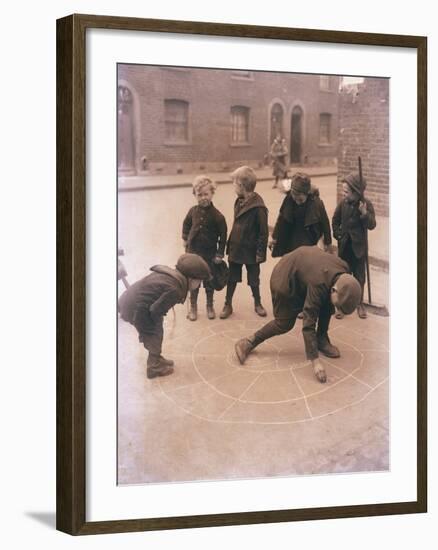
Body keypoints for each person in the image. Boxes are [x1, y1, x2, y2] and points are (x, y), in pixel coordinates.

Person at [234, 246, 362, 383]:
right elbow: (308, 322)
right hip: (284, 277)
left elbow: (329, 297)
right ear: (335, 289)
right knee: (284, 323)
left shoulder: (344, 270)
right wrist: (315, 362)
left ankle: (321, 339)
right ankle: (248, 342)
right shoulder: (318, 283)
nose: (337, 311)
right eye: (339, 306)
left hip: (304, 268)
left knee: (327, 304)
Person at [118, 253, 211, 379]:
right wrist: (152, 327)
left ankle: (156, 357)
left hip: (130, 299)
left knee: (156, 329)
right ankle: (153, 366)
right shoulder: (175, 290)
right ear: (190, 279)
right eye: (199, 281)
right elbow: (155, 311)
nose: (199, 285)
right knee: (154, 332)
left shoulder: (171, 275)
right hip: (135, 309)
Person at [220, 166, 269, 319]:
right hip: (236, 248)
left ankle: (258, 303)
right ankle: (227, 304)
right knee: (232, 278)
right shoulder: (239, 201)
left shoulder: (258, 207)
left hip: (251, 250)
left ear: (241, 185)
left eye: (234, 183)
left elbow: (263, 233)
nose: (233, 187)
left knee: (254, 279)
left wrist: (260, 254)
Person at [182, 175, 227, 321]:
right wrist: (185, 239)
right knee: (194, 282)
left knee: (209, 282)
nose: (203, 198)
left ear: (212, 193)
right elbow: (186, 225)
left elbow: (223, 236)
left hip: (209, 255)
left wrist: (220, 254)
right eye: (199, 195)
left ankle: (209, 306)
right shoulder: (192, 211)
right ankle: (193, 307)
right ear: (194, 195)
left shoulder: (218, 216)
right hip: (194, 253)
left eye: (206, 194)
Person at [332, 172, 376, 319]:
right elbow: (335, 219)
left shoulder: (366, 204)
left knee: (359, 276)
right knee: (343, 275)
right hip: (344, 246)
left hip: (359, 248)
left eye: (346, 192)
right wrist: (337, 234)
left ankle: (359, 303)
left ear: (357, 193)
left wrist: (364, 213)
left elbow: (372, 225)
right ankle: (340, 304)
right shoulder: (342, 204)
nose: (343, 194)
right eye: (343, 191)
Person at [269, 172, 333, 257]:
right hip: (291, 238)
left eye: (300, 199)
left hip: (308, 239)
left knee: (306, 264)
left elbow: (325, 223)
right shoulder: (288, 200)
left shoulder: (317, 203)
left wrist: (328, 243)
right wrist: (274, 238)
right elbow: (281, 219)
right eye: (294, 198)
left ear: (307, 193)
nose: (297, 201)